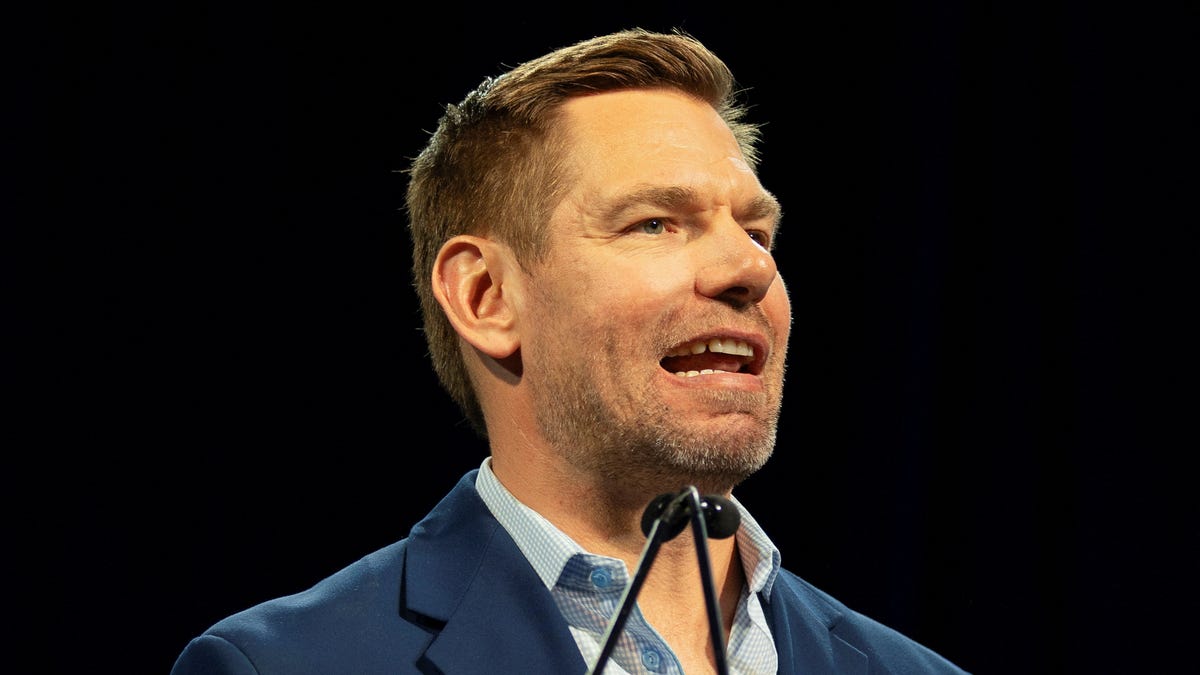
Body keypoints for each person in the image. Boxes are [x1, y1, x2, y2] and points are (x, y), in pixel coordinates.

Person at [171, 28, 969, 674]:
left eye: (758, 231)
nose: (752, 268)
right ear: (487, 297)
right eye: (656, 222)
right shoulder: (289, 665)